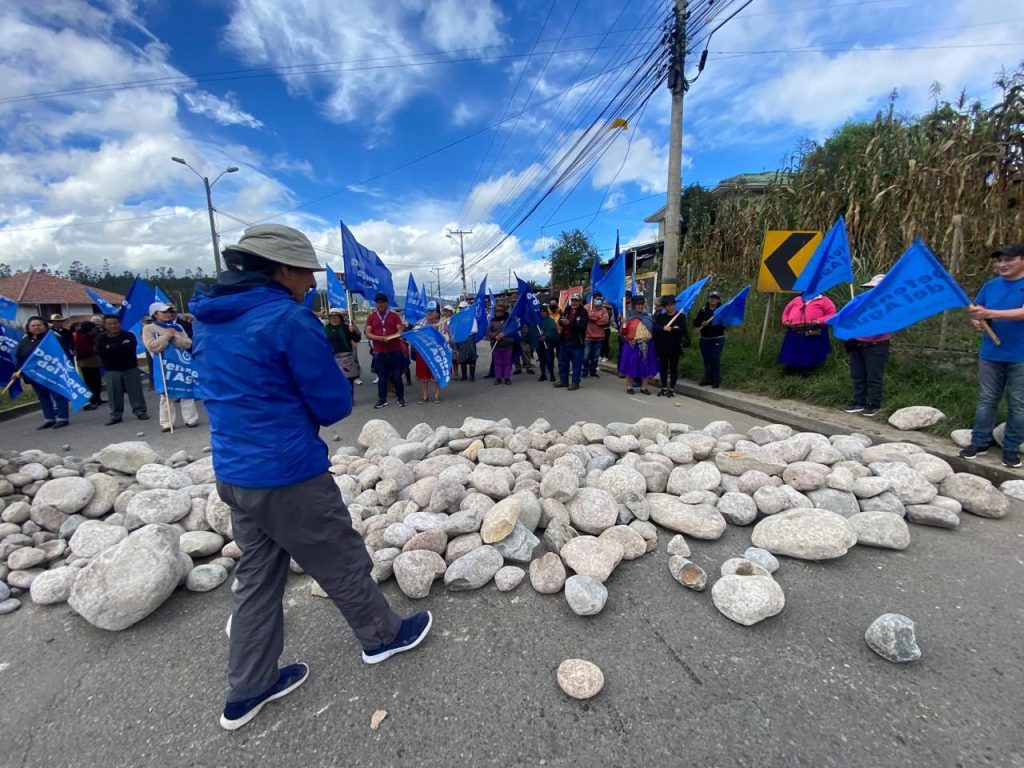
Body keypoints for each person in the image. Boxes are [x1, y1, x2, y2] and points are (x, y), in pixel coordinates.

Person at [190, 223, 431, 732]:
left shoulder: (208, 319)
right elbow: (332, 402)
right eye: (306, 274)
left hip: (234, 472)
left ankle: (248, 688)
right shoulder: (287, 318)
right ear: (282, 270)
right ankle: (382, 637)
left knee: (256, 578)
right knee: (338, 557)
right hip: (287, 472)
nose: (309, 283)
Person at [961, 243, 1024, 468]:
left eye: (1008, 260)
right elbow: (978, 312)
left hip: (1020, 355)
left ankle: (1011, 448)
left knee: (1018, 403)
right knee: (987, 399)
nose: (1002, 264)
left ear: (1022, 260)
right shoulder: (990, 286)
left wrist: (990, 313)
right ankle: (980, 441)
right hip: (991, 353)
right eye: (999, 261)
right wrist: (978, 321)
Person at [143, 301, 200, 431]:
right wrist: (166, 337)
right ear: (155, 314)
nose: (168, 314)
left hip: (181, 363)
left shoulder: (178, 327)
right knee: (166, 395)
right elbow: (152, 346)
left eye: (169, 311)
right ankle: (167, 422)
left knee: (187, 391)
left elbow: (188, 344)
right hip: (164, 365)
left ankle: (191, 419)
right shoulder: (149, 328)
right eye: (164, 312)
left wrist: (175, 337)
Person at [842, 274, 889, 418]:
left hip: (876, 345)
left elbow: (878, 327)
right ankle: (858, 401)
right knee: (858, 374)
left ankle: (874, 404)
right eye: (870, 288)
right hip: (857, 344)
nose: (871, 291)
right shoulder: (860, 304)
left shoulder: (887, 306)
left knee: (873, 376)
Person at [12, 316, 71, 429]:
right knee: (43, 397)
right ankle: (49, 418)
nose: (36, 327)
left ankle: (62, 418)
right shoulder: (25, 340)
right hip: (34, 374)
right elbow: (19, 357)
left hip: (52, 372)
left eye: (39, 325)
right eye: (33, 325)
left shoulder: (53, 338)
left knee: (58, 395)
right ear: (28, 328)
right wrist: (16, 370)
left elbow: (64, 353)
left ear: (45, 326)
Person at [96, 314, 149, 426]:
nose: (113, 326)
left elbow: (129, 348)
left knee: (136, 392)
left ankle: (140, 411)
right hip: (112, 370)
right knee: (114, 394)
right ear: (105, 325)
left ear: (119, 324)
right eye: (109, 324)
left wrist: (111, 347)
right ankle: (116, 415)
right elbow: (100, 351)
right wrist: (119, 346)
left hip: (130, 368)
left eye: (115, 323)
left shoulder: (128, 335)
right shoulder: (101, 338)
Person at [364, 292, 407, 409]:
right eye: (378, 302)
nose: (380, 304)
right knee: (382, 377)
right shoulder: (371, 317)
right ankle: (382, 399)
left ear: (387, 303)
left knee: (397, 376)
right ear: (376, 304)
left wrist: (390, 337)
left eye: (383, 302)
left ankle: (401, 398)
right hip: (379, 352)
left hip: (394, 350)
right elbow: (367, 332)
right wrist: (380, 338)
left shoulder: (394, 316)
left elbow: (400, 332)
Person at [778, 293, 837, 372]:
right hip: (794, 330)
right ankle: (790, 366)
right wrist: (785, 321)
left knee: (809, 350)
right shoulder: (796, 299)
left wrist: (819, 321)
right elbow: (786, 312)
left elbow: (832, 313)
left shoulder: (823, 300)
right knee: (791, 349)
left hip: (813, 329)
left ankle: (807, 368)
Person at [619, 294, 658, 395]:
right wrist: (623, 324)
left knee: (646, 365)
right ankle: (629, 386)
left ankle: (644, 387)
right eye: (638, 304)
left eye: (642, 304)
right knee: (630, 365)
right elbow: (623, 333)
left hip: (646, 345)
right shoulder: (628, 318)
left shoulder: (648, 318)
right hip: (632, 345)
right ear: (634, 305)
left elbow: (653, 332)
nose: (640, 306)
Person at [654, 295, 689, 397]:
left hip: (675, 346)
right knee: (663, 367)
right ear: (664, 306)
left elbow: (683, 330)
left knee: (674, 367)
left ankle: (672, 389)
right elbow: (656, 329)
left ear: (674, 305)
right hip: (662, 346)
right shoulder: (661, 317)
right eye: (667, 305)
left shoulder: (680, 316)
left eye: (672, 305)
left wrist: (673, 329)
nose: (670, 307)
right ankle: (664, 387)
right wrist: (662, 328)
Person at [324, 308, 362, 401]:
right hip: (331, 357)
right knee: (334, 380)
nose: (334, 319)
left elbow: (357, 339)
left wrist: (353, 331)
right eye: (331, 317)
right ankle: (338, 398)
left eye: (335, 317)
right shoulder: (324, 329)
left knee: (348, 379)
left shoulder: (346, 327)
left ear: (340, 318)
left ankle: (349, 399)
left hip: (346, 356)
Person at [415, 301, 447, 402]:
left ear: (437, 313)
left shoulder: (443, 323)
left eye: (432, 311)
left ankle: (437, 395)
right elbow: (415, 335)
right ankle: (425, 396)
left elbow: (447, 339)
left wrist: (438, 332)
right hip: (423, 353)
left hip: (437, 353)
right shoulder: (420, 322)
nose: (430, 313)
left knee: (436, 374)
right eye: (428, 311)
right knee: (423, 375)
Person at [555, 293, 588, 390]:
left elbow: (582, 326)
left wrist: (569, 323)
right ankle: (563, 381)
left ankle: (575, 383)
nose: (574, 302)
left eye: (576, 300)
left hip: (577, 342)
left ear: (580, 301)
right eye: (573, 300)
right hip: (565, 340)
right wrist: (562, 321)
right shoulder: (567, 309)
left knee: (576, 364)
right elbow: (561, 320)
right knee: (563, 362)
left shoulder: (583, 312)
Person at [694, 291, 726, 388]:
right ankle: (707, 378)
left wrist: (711, 324)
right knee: (706, 359)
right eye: (711, 297)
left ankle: (716, 380)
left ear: (718, 300)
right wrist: (701, 323)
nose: (713, 299)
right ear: (708, 298)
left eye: (715, 298)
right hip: (704, 339)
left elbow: (724, 325)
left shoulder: (721, 310)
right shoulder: (703, 310)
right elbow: (695, 323)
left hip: (717, 338)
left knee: (714, 358)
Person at [73, 319, 104, 410]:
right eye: (93, 328)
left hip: (95, 361)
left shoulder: (93, 336)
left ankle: (98, 398)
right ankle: (92, 399)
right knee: (90, 382)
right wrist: (95, 348)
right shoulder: (80, 337)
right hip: (85, 361)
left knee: (97, 381)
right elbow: (84, 349)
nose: (95, 330)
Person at [583, 292, 610, 378]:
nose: (599, 301)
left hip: (599, 337)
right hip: (587, 336)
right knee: (586, 356)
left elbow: (605, 321)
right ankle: (585, 371)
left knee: (595, 357)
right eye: (597, 299)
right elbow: (586, 318)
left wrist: (593, 318)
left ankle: (593, 372)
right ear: (593, 299)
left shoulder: (604, 309)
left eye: (600, 299)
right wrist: (597, 318)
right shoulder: (586, 307)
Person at [487, 301, 515, 385]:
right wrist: (495, 336)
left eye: (501, 311)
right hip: (496, 346)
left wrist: (505, 334)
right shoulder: (492, 321)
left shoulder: (509, 321)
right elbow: (489, 332)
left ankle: (507, 378)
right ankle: (498, 378)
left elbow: (513, 330)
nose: (499, 312)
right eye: (497, 311)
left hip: (507, 345)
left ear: (504, 311)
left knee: (507, 363)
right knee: (497, 363)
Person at [454, 300, 478, 381]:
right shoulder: (459, 319)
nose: (461, 310)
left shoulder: (472, 318)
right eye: (460, 308)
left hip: (470, 338)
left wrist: (465, 331)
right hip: (461, 339)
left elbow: (475, 330)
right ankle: (464, 375)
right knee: (462, 358)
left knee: (472, 358)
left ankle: (472, 376)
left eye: (463, 308)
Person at [536, 304, 558, 382]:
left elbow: (553, 332)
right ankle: (543, 374)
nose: (542, 313)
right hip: (539, 343)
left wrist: (546, 336)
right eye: (540, 312)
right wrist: (538, 335)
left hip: (548, 343)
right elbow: (535, 330)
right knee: (541, 360)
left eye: (543, 312)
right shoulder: (538, 321)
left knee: (549, 359)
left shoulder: (550, 321)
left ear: (546, 312)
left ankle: (552, 374)